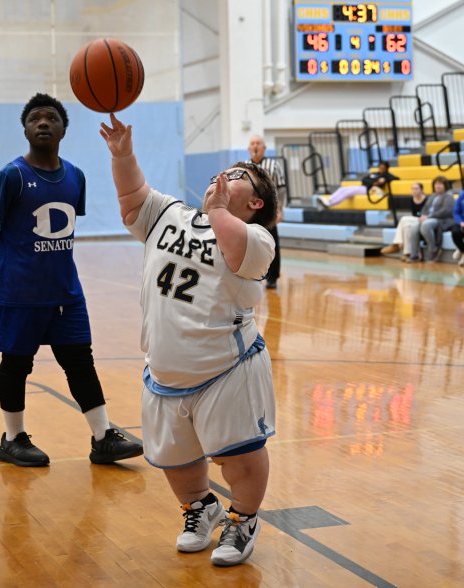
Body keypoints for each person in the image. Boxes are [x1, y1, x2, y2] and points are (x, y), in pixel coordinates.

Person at [101, 113, 277, 567]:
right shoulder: (173, 214)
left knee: (239, 459)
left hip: (226, 370)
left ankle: (243, 519)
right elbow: (132, 200)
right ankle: (200, 508)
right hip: (165, 368)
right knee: (175, 460)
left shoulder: (258, 238)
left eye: (239, 176)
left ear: (256, 204)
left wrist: (217, 210)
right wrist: (124, 155)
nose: (226, 174)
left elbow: (234, 247)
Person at [0, 93, 143, 468]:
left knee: (80, 361)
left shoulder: (75, 177)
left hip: (66, 290)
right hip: (19, 291)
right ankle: (12, 437)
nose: (43, 123)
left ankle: (103, 438)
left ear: (64, 129)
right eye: (35, 118)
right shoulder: (11, 176)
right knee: (16, 364)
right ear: (25, 128)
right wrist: (10, 258)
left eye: (51, 118)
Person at [247, 135, 285, 289]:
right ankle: (251, 275)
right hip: (249, 211)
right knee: (249, 243)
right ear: (248, 148)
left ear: (264, 148)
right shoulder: (245, 166)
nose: (255, 146)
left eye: (258, 143)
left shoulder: (273, 165)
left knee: (272, 243)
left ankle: (273, 277)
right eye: (252, 143)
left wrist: (280, 209)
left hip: (269, 210)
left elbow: (281, 189)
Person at [408, 175, 455, 263]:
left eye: (440, 184)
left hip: (441, 220)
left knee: (426, 225)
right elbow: (424, 208)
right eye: (436, 184)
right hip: (429, 218)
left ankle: (433, 249)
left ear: (445, 185)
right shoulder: (432, 196)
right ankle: (414, 254)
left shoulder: (449, 196)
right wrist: (422, 216)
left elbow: (445, 211)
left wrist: (429, 217)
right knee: (414, 226)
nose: (437, 186)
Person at [318, 161, 398, 208]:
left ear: (386, 168)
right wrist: (373, 182)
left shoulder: (386, 175)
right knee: (342, 189)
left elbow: (396, 178)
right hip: (364, 187)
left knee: (347, 193)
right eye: (380, 167)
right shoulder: (374, 173)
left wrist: (384, 180)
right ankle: (329, 199)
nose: (380, 169)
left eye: (382, 168)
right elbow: (364, 180)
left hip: (369, 190)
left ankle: (330, 203)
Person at [381, 182, 426, 259]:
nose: (414, 191)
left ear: (421, 190)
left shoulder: (426, 200)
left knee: (403, 219)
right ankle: (407, 253)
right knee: (407, 226)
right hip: (415, 220)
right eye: (412, 189)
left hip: (424, 219)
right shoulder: (412, 200)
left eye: (416, 189)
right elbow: (414, 214)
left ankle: (396, 244)